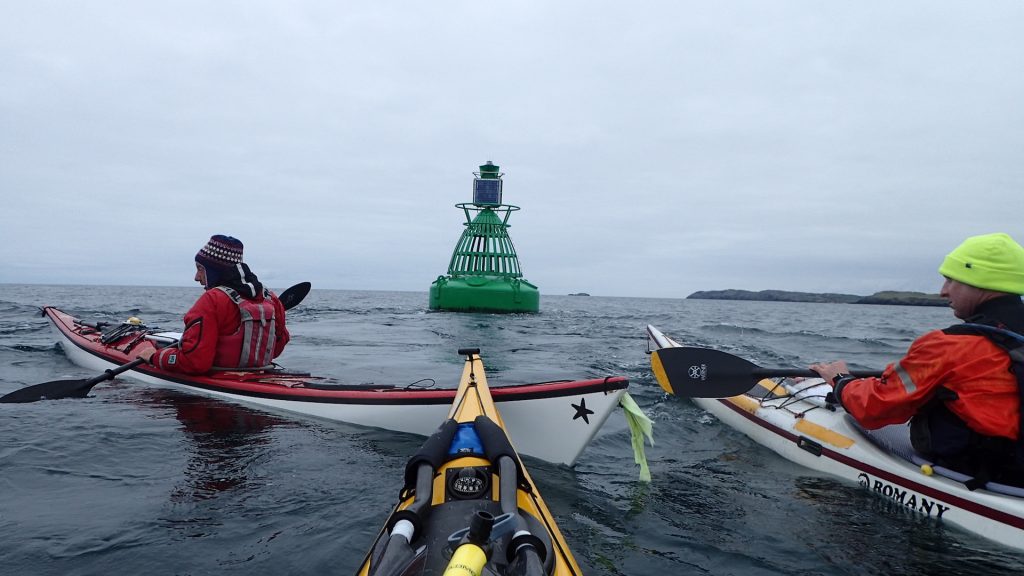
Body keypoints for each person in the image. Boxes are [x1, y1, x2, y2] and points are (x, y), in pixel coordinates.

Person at [810, 232, 1024, 487]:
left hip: (980, 474)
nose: (943, 292)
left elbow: (875, 408)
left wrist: (840, 381)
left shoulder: (949, 346)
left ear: (980, 282)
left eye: (950, 280)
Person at [137, 235, 290, 374]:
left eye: (200, 269)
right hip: (260, 376)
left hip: (219, 388)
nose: (196, 278)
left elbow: (194, 363)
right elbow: (275, 350)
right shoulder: (272, 299)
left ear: (215, 271)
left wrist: (155, 356)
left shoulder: (212, 300)